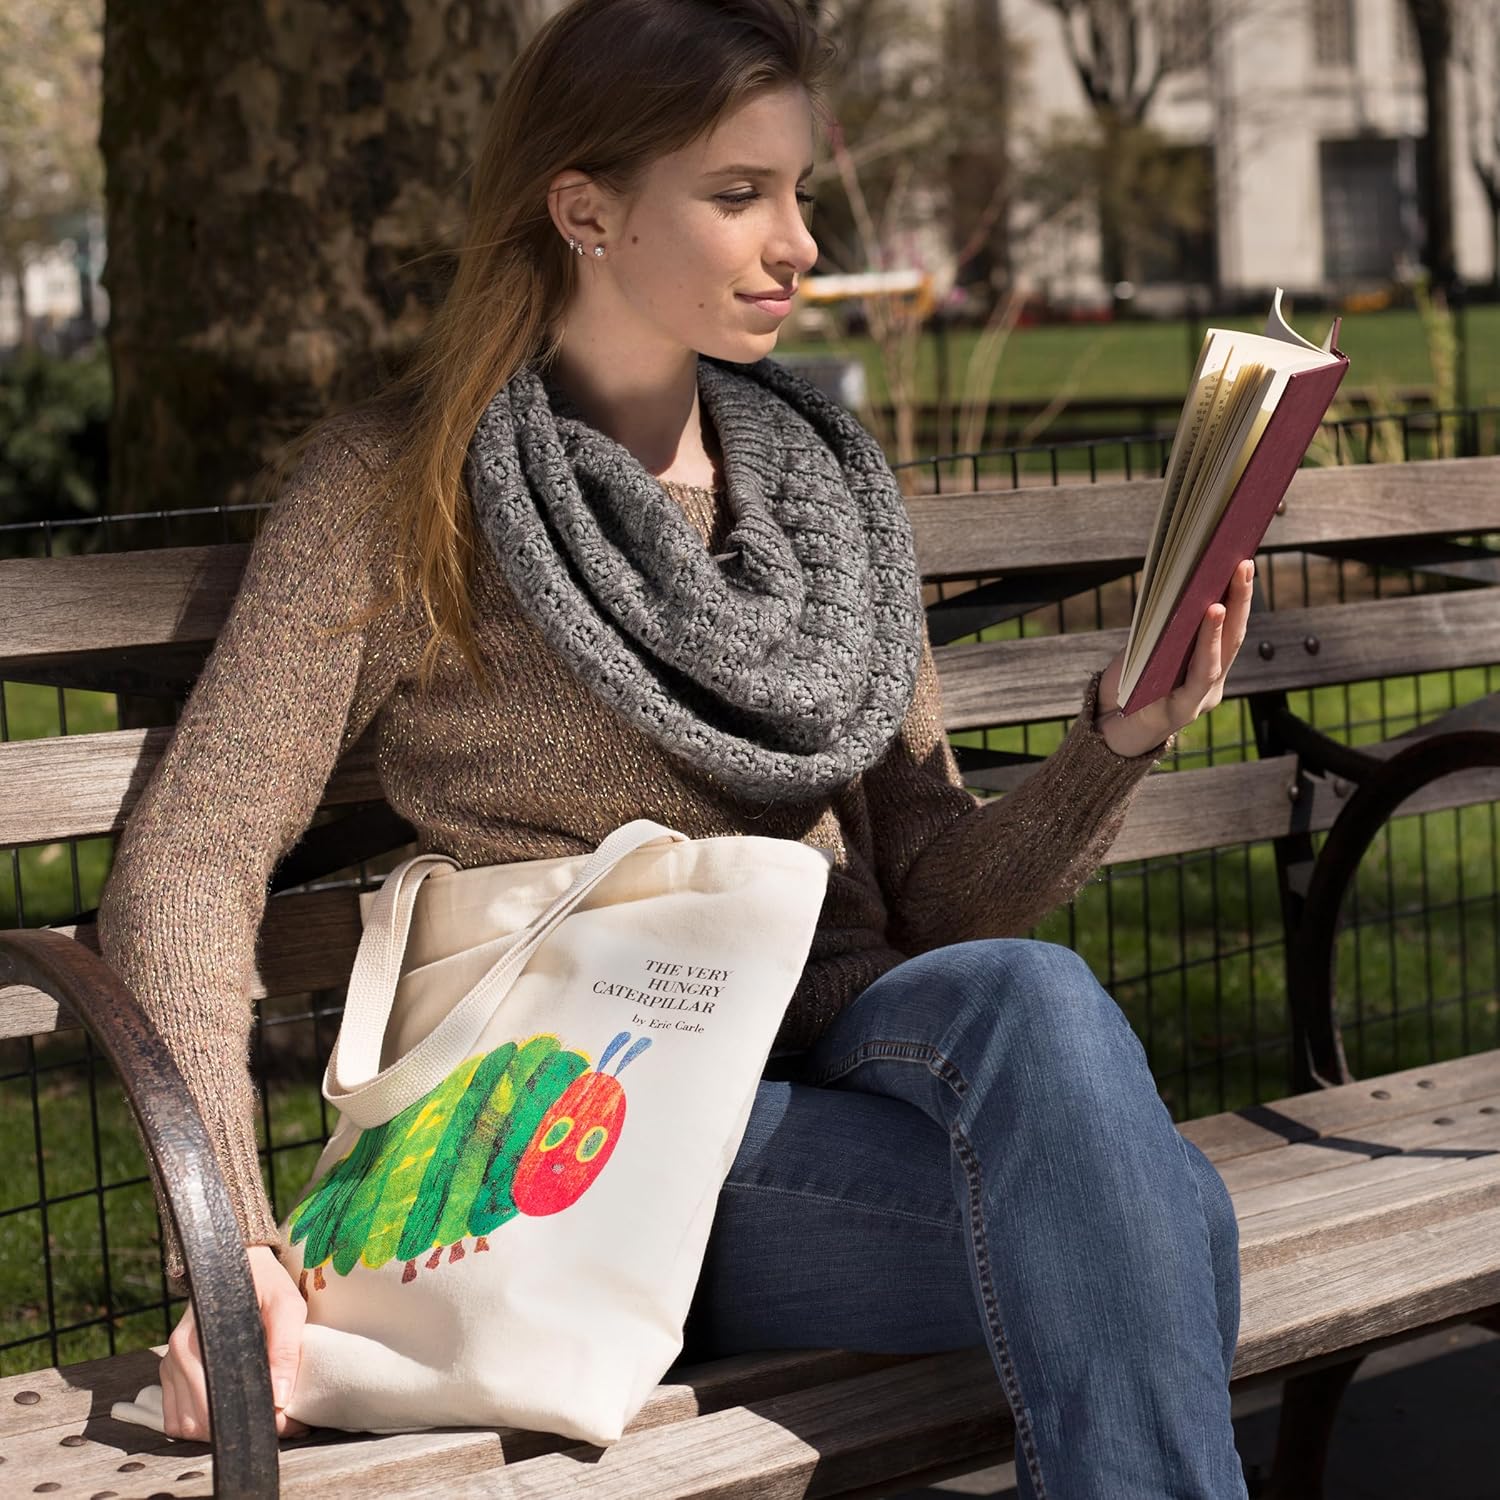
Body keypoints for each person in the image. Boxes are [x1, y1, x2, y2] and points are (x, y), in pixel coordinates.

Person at [96, 1, 1255, 1494]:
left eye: (800, 194)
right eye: (737, 196)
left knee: (1040, 1010)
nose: (799, 246)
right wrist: (231, 1247)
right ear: (583, 208)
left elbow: (943, 900)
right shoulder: (397, 490)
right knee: (1171, 1235)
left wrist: (1113, 745)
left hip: (835, 1058)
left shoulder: (830, 495)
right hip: (593, 1117)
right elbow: (192, 857)